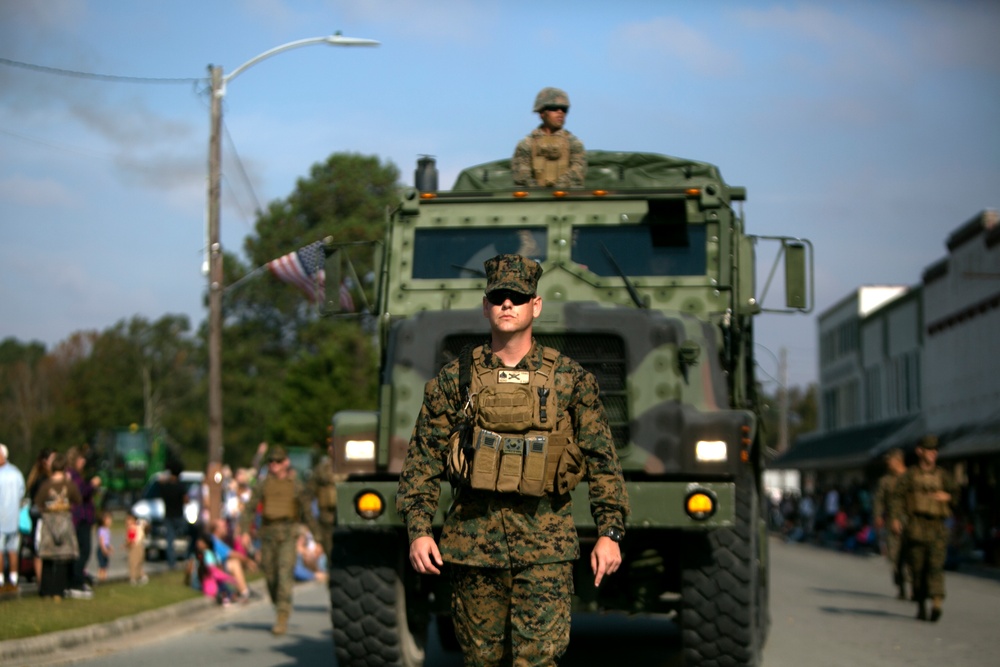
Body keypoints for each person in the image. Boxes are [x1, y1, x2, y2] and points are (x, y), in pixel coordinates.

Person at [397, 253, 630, 666]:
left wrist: (609, 532)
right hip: (474, 548)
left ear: (535, 306)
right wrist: (419, 530)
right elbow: (423, 460)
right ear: (485, 306)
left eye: (518, 297)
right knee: (481, 662)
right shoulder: (454, 380)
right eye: (499, 296)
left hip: (545, 550)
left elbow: (602, 460)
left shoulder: (570, 380)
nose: (508, 304)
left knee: (537, 662)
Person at [240, 445, 318, 635]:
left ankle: (282, 616)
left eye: (278, 461)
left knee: (284, 574)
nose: (274, 464)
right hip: (268, 534)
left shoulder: (295, 485)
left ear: (286, 463)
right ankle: (279, 605)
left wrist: (317, 537)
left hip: (288, 535)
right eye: (271, 461)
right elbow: (250, 508)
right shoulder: (263, 485)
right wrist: (244, 531)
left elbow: (307, 512)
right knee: (270, 575)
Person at [890, 435, 958, 622]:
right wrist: (895, 519)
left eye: (935, 450)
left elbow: (957, 493)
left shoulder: (943, 475)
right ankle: (921, 603)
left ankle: (936, 602)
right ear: (920, 451)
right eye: (929, 450)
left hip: (937, 526)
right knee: (918, 569)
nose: (933, 454)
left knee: (936, 566)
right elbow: (897, 497)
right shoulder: (910, 476)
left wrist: (948, 497)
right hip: (916, 527)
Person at [511, 87, 587, 188]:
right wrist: (538, 191)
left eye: (564, 109)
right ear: (542, 113)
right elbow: (521, 175)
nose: (560, 112)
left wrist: (559, 188)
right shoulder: (526, 144)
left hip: (565, 196)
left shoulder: (574, 144)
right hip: (535, 196)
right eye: (554, 108)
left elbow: (577, 172)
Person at [33, 452, 81, 599]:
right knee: (62, 558)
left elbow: (38, 502)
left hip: (48, 522)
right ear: (65, 468)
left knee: (48, 557)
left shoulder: (46, 485)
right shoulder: (69, 485)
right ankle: (59, 591)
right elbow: (78, 500)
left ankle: (46, 590)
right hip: (64, 521)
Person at [874, 447, 909, 599]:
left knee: (912, 555)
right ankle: (901, 586)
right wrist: (878, 516)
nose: (888, 464)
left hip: (912, 521)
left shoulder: (911, 477)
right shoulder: (885, 481)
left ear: (898, 460)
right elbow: (879, 500)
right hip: (892, 521)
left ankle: (914, 586)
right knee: (894, 555)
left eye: (890, 461)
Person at [66, 445, 100, 598]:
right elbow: (80, 493)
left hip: (83, 517)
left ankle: (78, 578)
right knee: (83, 550)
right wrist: (92, 485)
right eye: (81, 459)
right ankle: (76, 581)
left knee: (82, 550)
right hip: (80, 517)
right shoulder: (73, 475)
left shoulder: (76, 475)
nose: (83, 462)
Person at [25, 448, 54, 583]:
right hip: (41, 518)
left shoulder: (40, 477)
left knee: (41, 550)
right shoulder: (42, 479)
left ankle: (44, 580)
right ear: (45, 461)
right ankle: (42, 582)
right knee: (39, 550)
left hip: (40, 517)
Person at [0, 443, 26, 593]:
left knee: (3, 550)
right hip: (14, 518)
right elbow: (22, 493)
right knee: (12, 550)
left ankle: (2, 579)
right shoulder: (16, 473)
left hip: (2, 519)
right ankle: (13, 577)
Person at [305, 441, 338, 558]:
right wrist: (312, 524)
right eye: (331, 446)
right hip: (326, 520)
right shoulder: (321, 470)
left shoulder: (352, 468)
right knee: (331, 555)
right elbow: (307, 496)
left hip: (347, 520)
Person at [209, 517, 254, 602]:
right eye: (223, 527)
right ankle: (245, 592)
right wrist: (248, 561)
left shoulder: (214, 540)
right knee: (234, 563)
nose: (226, 528)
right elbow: (232, 554)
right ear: (217, 530)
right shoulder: (214, 541)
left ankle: (240, 590)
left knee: (232, 563)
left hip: (215, 569)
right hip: (211, 573)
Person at [158, 462, 189, 569]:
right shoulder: (180, 486)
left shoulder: (165, 486)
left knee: (170, 540)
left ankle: (171, 562)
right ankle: (188, 557)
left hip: (168, 516)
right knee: (188, 534)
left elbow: (160, 488)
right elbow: (186, 500)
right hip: (179, 515)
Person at [124, 513, 148, 586]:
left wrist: (126, 545)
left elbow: (131, 539)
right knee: (138, 563)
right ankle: (141, 576)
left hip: (135, 547)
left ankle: (133, 578)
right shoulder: (138, 527)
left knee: (133, 562)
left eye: (129, 520)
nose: (127, 522)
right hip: (140, 546)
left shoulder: (132, 528)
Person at [95, 511, 113, 582]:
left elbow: (107, 541)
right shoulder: (101, 530)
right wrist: (104, 549)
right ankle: (100, 577)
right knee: (102, 564)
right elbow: (101, 541)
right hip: (102, 548)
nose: (109, 521)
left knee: (105, 564)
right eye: (108, 519)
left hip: (106, 547)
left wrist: (110, 547)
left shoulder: (107, 530)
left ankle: (104, 577)